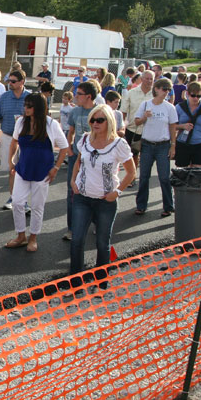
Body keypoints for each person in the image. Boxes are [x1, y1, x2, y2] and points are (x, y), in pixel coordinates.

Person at [70, 104, 136, 275]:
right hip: (82, 198)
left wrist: (117, 192)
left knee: (102, 242)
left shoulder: (118, 144)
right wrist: (72, 181)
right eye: (92, 119)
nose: (95, 123)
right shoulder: (84, 139)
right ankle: (75, 282)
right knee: (76, 240)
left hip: (105, 201)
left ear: (110, 122)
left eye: (100, 120)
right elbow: (78, 161)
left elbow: (131, 172)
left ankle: (101, 282)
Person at [4, 93, 69, 252]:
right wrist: (11, 160)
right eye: (25, 105)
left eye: (29, 106)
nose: (26, 108)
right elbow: (14, 142)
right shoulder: (20, 122)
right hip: (23, 169)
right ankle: (21, 236)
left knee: (38, 206)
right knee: (17, 202)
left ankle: (33, 238)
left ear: (38, 108)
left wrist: (56, 168)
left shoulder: (51, 124)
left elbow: (64, 147)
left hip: (42, 172)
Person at [133, 78, 178, 217]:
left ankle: (168, 206)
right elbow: (137, 122)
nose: (166, 92)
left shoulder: (170, 107)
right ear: (156, 89)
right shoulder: (145, 104)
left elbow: (173, 126)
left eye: (169, 90)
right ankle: (141, 205)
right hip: (147, 144)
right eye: (164, 89)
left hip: (163, 145)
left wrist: (173, 145)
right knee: (144, 176)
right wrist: (145, 117)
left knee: (164, 177)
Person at [0, 68, 30, 211]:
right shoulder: (4, 97)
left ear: (22, 82)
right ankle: (13, 197)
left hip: (27, 140)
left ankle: (23, 201)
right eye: (9, 81)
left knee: (24, 170)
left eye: (13, 81)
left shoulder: (30, 98)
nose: (10, 83)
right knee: (12, 170)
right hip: (8, 137)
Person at [63, 81, 97, 242]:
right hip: (76, 157)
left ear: (88, 96)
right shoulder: (75, 111)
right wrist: (69, 149)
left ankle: (97, 222)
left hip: (95, 159)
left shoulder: (99, 111)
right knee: (72, 191)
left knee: (95, 191)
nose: (75, 97)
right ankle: (71, 228)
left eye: (79, 94)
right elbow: (70, 131)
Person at [120, 69, 154, 171]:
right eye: (147, 78)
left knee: (147, 157)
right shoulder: (131, 93)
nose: (149, 81)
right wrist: (122, 127)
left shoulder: (156, 95)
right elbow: (124, 111)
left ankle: (144, 176)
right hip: (133, 129)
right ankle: (132, 177)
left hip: (149, 130)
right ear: (142, 79)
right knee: (133, 155)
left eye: (151, 79)